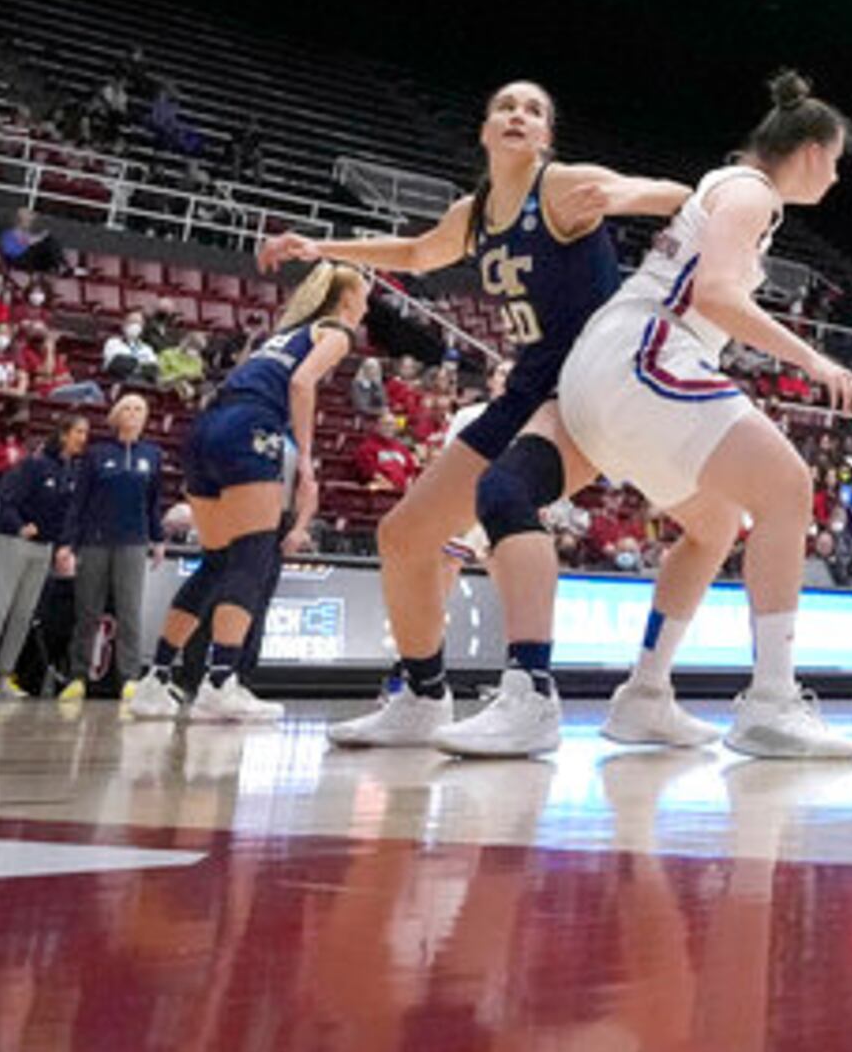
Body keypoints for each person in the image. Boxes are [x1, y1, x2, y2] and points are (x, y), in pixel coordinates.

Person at [443, 73, 852, 762]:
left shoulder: (724, 185)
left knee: (715, 524)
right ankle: (771, 702)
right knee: (788, 486)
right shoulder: (752, 192)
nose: (837, 173)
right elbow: (720, 294)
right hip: (645, 354)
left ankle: (644, 694)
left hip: (603, 371)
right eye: (838, 159)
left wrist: (628, 193)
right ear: (815, 151)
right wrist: (812, 358)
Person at [262, 82, 693, 748]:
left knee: (506, 492)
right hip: (529, 383)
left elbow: (685, 194)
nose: (518, 114)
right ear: (486, 129)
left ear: (545, 136)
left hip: (591, 380)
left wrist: (626, 197)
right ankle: (425, 695)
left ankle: (532, 692)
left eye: (534, 109)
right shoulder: (475, 212)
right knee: (405, 536)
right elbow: (413, 254)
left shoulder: (563, 185)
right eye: (504, 106)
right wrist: (323, 248)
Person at [127, 265, 363, 726]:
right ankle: (220, 682)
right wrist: (308, 460)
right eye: (365, 298)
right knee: (251, 558)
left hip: (207, 426)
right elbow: (301, 384)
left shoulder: (285, 334)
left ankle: (155, 682)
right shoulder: (336, 330)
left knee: (216, 562)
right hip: (250, 428)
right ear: (346, 300)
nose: (367, 307)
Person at [0, 415, 89, 698]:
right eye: (79, 431)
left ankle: (3, 675)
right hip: (15, 542)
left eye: (85, 432)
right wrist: (19, 526)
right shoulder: (34, 465)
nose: (83, 437)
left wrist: (64, 545)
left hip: (44, 548)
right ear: (63, 434)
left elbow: (66, 516)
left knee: (23, 614)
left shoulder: (72, 472)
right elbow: (5, 500)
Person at [59, 394, 165, 702]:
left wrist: (157, 539)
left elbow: (154, 502)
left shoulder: (153, 455)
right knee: (87, 610)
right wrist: (68, 543)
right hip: (95, 541)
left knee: (130, 611)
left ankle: (129, 677)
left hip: (133, 542)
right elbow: (79, 502)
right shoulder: (97, 453)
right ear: (117, 415)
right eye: (128, 408)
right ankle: (77, 675)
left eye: (139, 409)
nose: (133, 414)